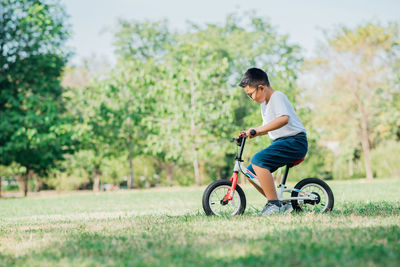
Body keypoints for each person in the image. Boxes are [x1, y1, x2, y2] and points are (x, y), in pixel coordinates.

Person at [238, 68, 308, 215]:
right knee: (251, 172)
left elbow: (284, 119)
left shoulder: (277, 97)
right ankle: (279, 203)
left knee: (258, 160)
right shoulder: (264, 105)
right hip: (281, 143)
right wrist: (251, 132)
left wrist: (258, 130)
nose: (251, 98)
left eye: (250, 94)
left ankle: (273, 205)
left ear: (261, 88)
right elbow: (267, 127)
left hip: (295, 141)